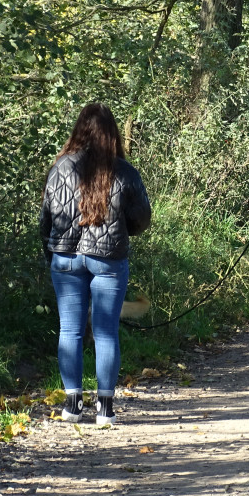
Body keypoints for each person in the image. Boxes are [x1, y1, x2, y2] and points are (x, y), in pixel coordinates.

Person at [40, 103, 151, 427]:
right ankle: (105, 408)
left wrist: (53, 257)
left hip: (66, 259)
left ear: (79, 130)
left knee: (70, 330)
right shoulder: (124, 171)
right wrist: (121, 229)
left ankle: (72, 404)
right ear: (111, 133)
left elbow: (46, 220)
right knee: (106, 332)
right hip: (109, 260)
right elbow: (142, 218)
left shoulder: (60, 168)